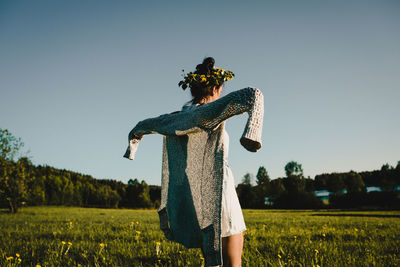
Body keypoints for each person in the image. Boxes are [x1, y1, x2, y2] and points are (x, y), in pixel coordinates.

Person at [124, 57, 264, 266]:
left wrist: (133, 144)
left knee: (212, 258)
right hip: (219, 191)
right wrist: (251, 135)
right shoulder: (208, 112)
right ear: (216, 86)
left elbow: (144, 125)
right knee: (233, 263)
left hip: (198, 196)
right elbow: (254, 95)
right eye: (221, 88)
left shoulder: (176, 118)